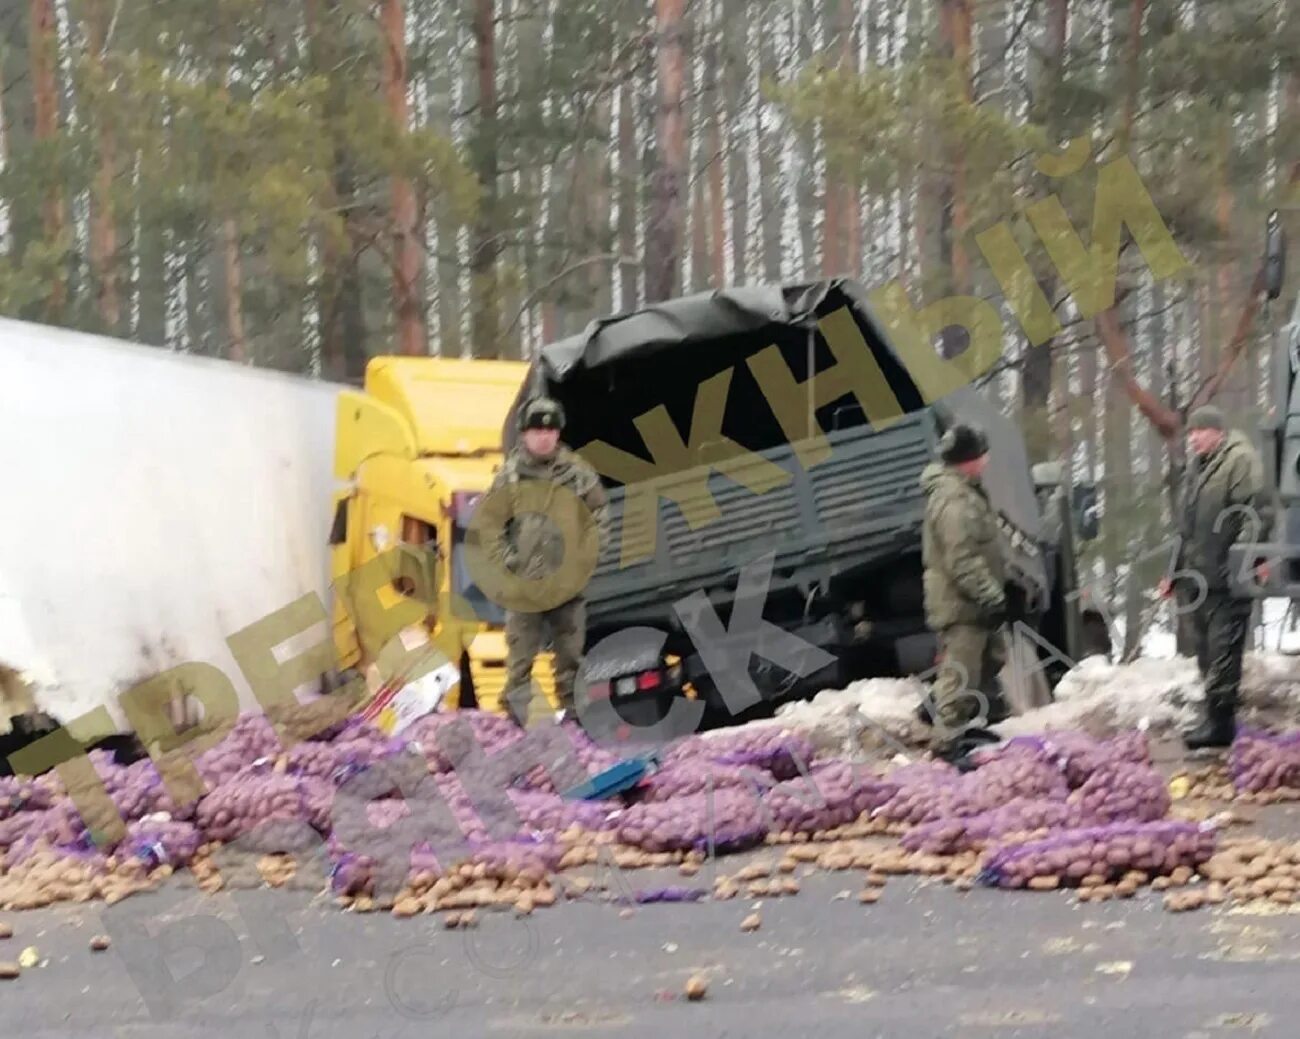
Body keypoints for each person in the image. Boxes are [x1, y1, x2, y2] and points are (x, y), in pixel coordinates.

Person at [488, 396, 608, 727]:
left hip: (567, 584)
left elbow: (598, 515)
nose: (544, 436)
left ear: (558, 434)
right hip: (524, 586)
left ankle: (577, 725)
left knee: (570, 660)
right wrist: (510, 563)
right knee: (520, 664)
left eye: (550, 430)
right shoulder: (510, 476)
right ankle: (518, 729)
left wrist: (586, 558)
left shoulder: (578, 473)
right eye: (537, 430)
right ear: (525, 434)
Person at [1159, 405, 1273, 750]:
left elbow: (1255, 514)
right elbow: (1185, 529)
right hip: (1198, 579)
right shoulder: (1198, 468)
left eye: (1199, 431)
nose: (1192, 438)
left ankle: (1221, 725)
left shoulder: (1240, 461)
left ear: (1217, 432)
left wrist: (1241, 564)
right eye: (1190, 432)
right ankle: (1214, 716)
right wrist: (1172, 572)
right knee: (1206, 653)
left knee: (1224, 651)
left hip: (1227, 577)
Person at [919, 422, 1011, 760]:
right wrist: (992, 596)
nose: (986, 460)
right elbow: (961, 559)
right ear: (968, 459)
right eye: (982, 454)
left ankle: (947, 717)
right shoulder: (953, 499)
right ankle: (946, 744)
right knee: (960, 673)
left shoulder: (966, 491)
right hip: (962, 605)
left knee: (988, 663)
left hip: (973, 605)